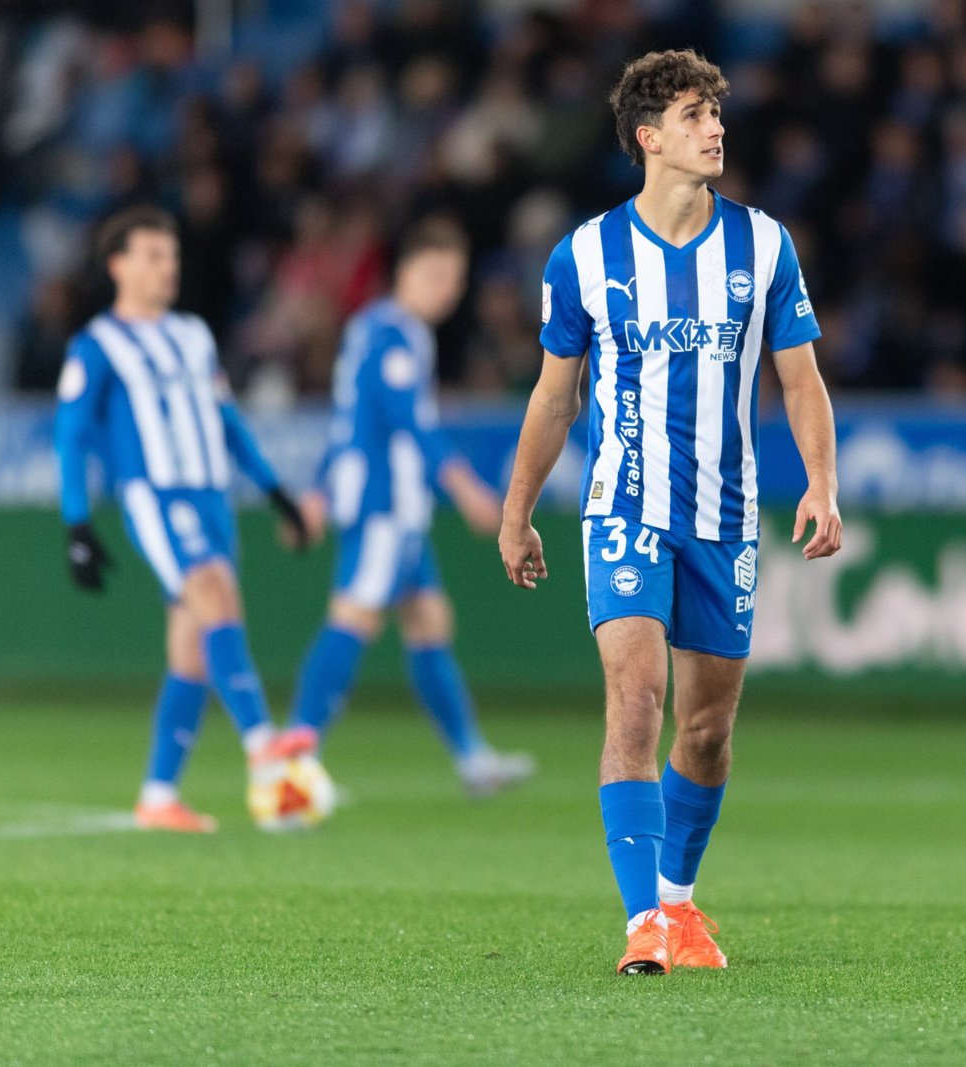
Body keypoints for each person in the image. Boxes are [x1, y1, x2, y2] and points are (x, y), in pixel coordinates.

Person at [498, 50, 843, 975]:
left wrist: (821, 480)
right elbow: (552, 399)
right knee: (636, 694)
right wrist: (517, 510)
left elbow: (800, 377)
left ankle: (681, 905)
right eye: (695, 115)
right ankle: (643, 919)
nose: (715, 129)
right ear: (649, 138)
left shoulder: (763, 245)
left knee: (707, 729)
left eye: (717, 114)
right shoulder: (584, 255)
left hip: (726, 517)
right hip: (624, 506)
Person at [54, 205, 315, 832]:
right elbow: (71, 435)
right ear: (117, 264)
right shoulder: (97, 345)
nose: (166, 267)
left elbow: (227, 421)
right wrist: (77, 525)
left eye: (171, 256)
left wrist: (276, 492)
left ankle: (158, 795)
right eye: (151, 255)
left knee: (194, 652)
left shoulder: (194, 335)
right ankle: (261, 745)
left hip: (212, 497)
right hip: (157, 495)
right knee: (213, 593)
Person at [283, 219, 534, 797]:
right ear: (406, 272)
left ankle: (473, 759)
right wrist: (466, 486)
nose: (448, 288)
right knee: (352, 620)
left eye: (456, 278)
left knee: (429, 623)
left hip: (395, 508)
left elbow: (350, 420)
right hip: (382, 507)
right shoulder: (395, 334)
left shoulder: (374, 329)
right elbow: (407, 423)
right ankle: (292, 762)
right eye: (437, 274)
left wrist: (320, 492)